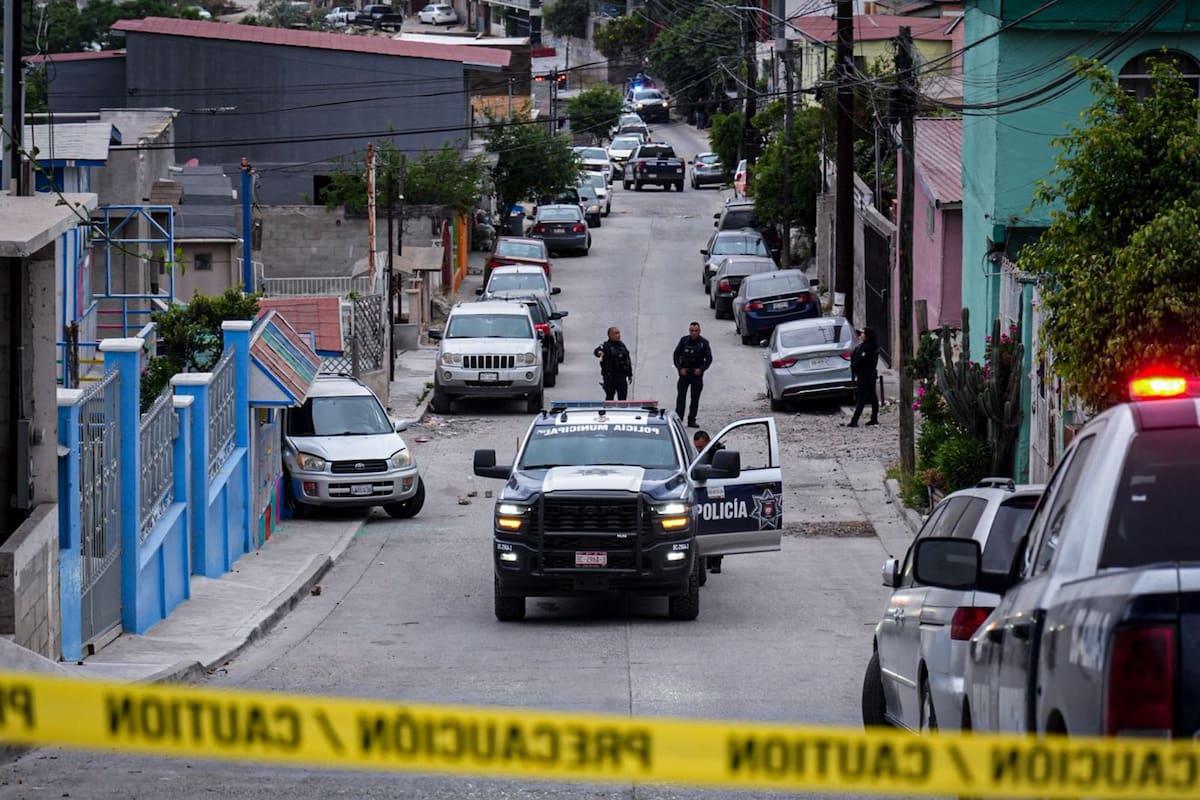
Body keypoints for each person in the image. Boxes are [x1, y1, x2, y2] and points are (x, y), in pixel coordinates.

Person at [673, 321, 713, 427]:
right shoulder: (684, 341)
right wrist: (680, 368)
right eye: (692, 331)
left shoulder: (704, 343)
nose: (694, 333)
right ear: (689, 331)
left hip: (696, 375)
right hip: (684, 374)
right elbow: (676, 355)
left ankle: (691, 419)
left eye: (696, 331)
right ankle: (678, 419)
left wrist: (701, 369)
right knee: (681, 397)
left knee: (695, 399)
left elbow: (709, 359)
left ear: (699, 331)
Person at [847, 327, 880, 427]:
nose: (861, 335)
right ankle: (873, 418)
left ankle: (855, 420)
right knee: (871, 397)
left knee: (862, 398)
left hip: (866, 375)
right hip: (866, 374)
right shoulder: (865, 346)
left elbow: (861, 360)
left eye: (863, 333)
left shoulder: (869, 347)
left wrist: (853, 365)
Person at [593, 326, 632, 400]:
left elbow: (627, 360)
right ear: (610, 335)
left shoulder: (622, 346)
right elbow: (597, 350)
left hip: (622, 378)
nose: (619, 335)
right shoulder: (606, 346)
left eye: (619, 333)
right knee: (610, 399)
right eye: (616, 333)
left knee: (623, 400)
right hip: (610, 378)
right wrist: (599, 352)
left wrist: (630, 374)